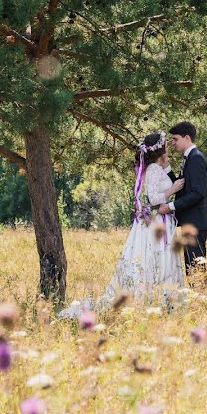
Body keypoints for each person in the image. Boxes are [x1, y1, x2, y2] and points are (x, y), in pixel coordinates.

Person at [58, 132, 185, 318]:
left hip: (161, 220)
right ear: (159, 148)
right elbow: (153, 198)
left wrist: (167, 168)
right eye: (166, 144)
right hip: (155, 222)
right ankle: (155, 298)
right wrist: (172, 190)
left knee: (161, 258)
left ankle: (164, 298)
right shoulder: (152, 169)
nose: (168, 146)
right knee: (155, 258)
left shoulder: (157, 168)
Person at [157, 121, 207, 274]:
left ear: (187, 138)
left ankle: (203, 296)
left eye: (175, 139)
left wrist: (170, 206)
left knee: (196, 267)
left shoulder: (196, 158)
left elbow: (198, 193)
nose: (172, 143)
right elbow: (181, 187)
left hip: (196, 222)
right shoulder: (189, 158)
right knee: (192, 266)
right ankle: (199, 296)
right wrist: (167, 168)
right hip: (191, 221)